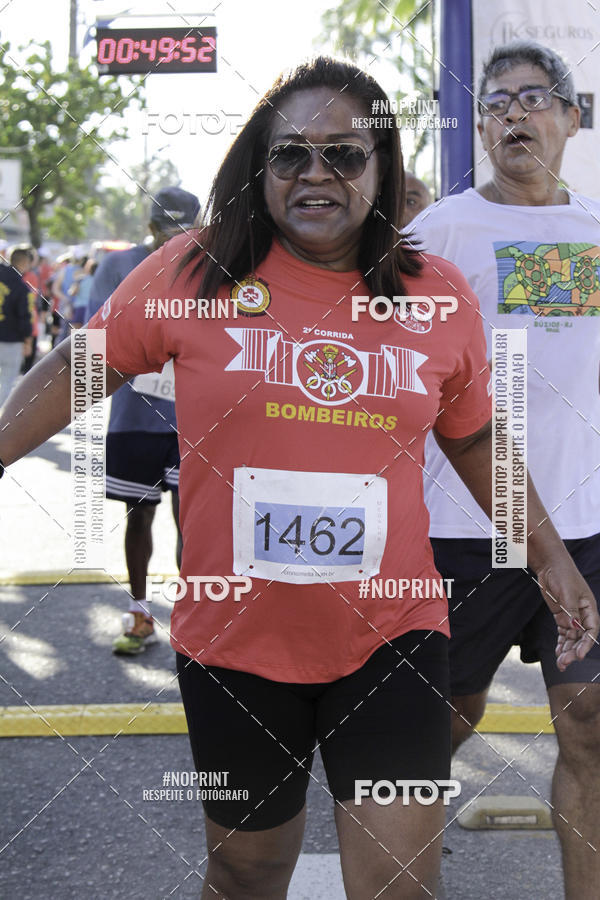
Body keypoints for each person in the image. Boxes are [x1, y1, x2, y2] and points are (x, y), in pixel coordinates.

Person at [0, 57, 597, 899]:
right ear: (261, 168)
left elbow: (476, 442)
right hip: (235, 646)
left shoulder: (434, 292)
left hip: (394, 637)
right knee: (246, 871)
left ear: (382, 169)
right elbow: (78, 367)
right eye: (291, 156)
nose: (316, 174)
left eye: (346, 155)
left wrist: (552, 559)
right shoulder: (193, 272)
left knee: (399, 879)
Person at [411, 40, 600, 899]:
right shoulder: (436, 235)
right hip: (467, 533)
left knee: (589, 726)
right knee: (440, 725)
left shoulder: (597, 231)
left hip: (587, 528)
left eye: (534, 98)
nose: (513, 115)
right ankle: (392, 851)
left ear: (571, 116)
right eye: (495, 104)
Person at [85, 186, 200, 654]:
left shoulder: (212, 265)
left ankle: (193, 620)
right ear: (149, 229)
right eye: (165, 232)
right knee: (139, 516)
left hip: (195, 420)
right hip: (135, 414)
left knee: (191, 523)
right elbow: (91, 335)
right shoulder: (118, 265)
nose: (174, 241)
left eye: (185, 232)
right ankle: (139, 611)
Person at [0, 246, 34, 408]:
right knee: (6, 382)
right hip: (10, 340)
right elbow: (24, 317)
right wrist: (27, 341)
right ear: (25, 263)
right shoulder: (21, 287)